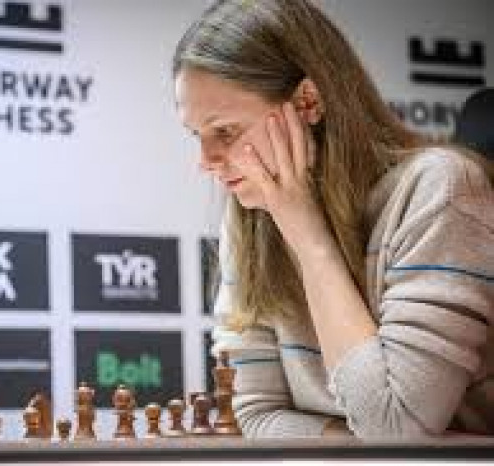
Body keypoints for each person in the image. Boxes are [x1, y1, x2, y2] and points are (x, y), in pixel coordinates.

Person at [173, 0, 494, 439]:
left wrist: (309, 237)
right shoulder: (251, 216)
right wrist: (352, 444)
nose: (205, 161)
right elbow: (254, 414)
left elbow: (396, 427)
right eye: (197, 135)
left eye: (225, 131)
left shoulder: (440, 189)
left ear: (306, 102)